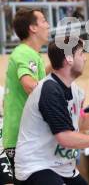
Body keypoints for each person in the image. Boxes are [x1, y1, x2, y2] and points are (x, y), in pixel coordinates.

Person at [14, 37, 89, 184]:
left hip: (62, 167)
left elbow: (82, 122)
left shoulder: (76, 91)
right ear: (69, 59)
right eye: (81, 54)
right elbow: (65, 138)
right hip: (36, 166)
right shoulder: (49, 90)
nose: (85, 59)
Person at [3, 9, 50, 179]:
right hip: (22, 141)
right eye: (44, 21)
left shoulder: (29, 54)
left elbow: (35, 80)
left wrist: (56, 64)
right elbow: (30, 85)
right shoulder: (24, 53)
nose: (48, 25)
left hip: (24, 139)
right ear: (33, 28)